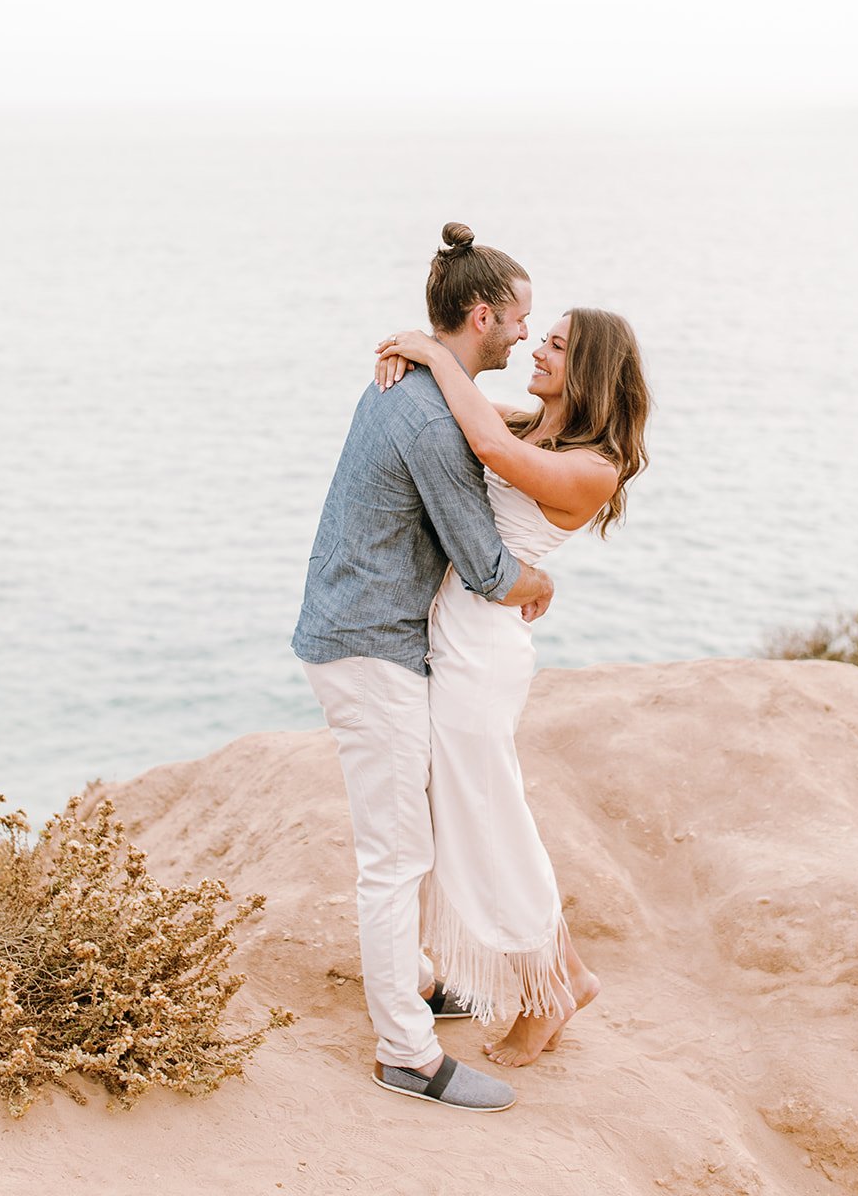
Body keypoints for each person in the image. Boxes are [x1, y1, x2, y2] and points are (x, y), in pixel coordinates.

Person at [292, 223, 554, 1113]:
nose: (525, 334)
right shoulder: (427, 414)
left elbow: (486, 428)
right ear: (481, 316)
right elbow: (483, 564)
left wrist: (433, 360)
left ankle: (417, 986)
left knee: (407, 843)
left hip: (359, 633)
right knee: (395, 857)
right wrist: (541, 579)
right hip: (371, 652)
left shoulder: (411, 386)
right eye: (517, 319)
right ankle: (405, 1053)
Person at [374, 294, 650, 1066]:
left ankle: (553, 987)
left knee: (492, 822)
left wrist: (432, 351)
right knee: (469, 816)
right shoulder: (542, 428)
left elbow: (488, 448)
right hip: (457, 635)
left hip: (481, 653)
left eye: (556, 346)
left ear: (587, 368)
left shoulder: (594, 466)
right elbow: (465, 416)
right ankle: (544, 976)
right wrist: (416, 359)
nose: (537, 350)